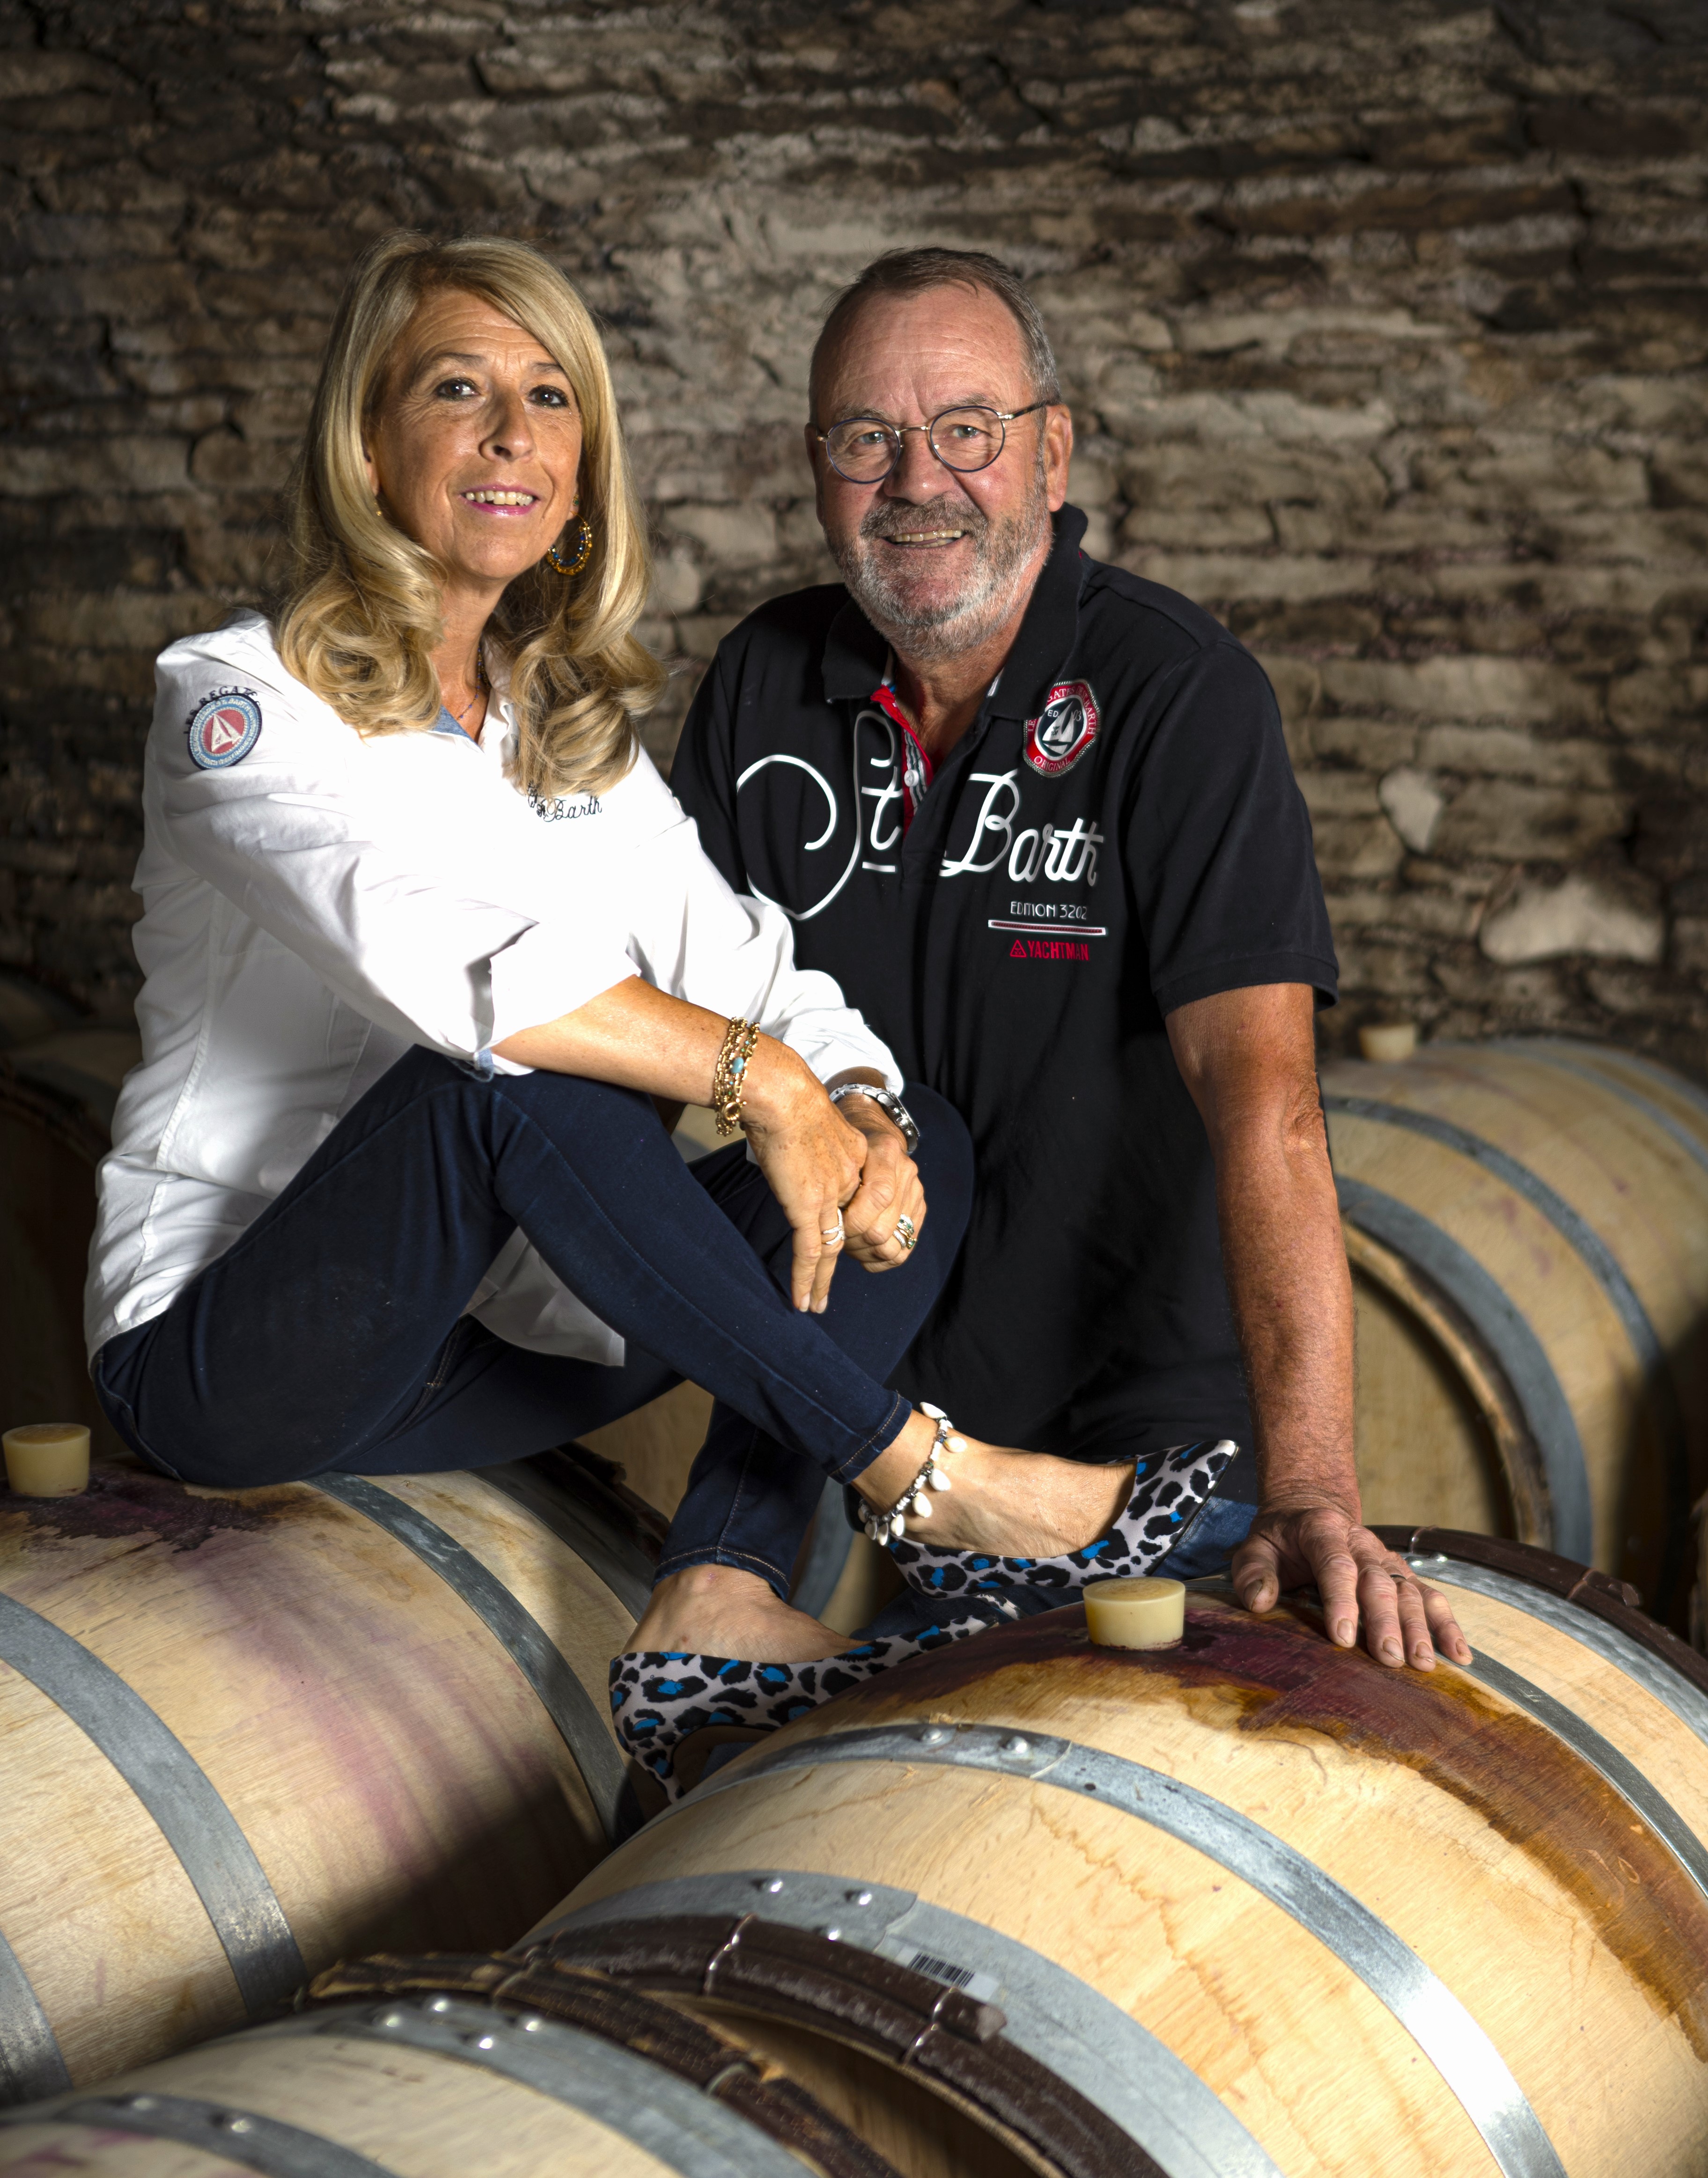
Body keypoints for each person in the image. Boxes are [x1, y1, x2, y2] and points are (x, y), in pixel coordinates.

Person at [84, 232, 1243, 1803]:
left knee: (920, 1139)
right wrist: (760, 1083)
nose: (513, 436)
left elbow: (762, 975)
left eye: (551, 398)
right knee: (502, 1079)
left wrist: (847, 1099)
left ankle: (718, 1584)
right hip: (238, 1353)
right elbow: (465, 977)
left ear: (582, 468)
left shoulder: (569, 744)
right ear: (367, 445)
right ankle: (924, 1471)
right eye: (458, 390)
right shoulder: (237, 702)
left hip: (498, 1347)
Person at [669, 248, 1471, 1673]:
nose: (918, 480)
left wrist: (1313, 1494)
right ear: (816, 467)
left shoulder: (1179, 696)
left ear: (1052, 452)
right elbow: (658, 1028)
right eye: (868, 437)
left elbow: (1270, 1108)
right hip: (893, 1454)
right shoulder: (762, 686)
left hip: (1150, 1467)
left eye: (967, 429)